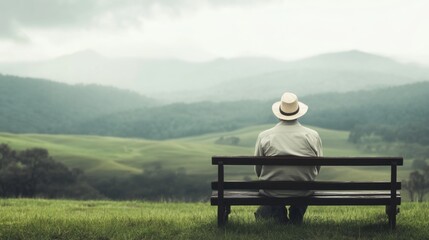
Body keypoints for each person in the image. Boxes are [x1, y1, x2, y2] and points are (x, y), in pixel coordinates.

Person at [254, 92, 323, 225]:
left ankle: (278, 213)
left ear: (279, 112)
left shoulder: (264, 136)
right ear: (298, 112)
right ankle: (296, 213)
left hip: (272, 191)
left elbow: (258, 169)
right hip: (303, 190)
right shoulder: (312, 136)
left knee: (270, 192)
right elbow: (317, 167)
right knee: (305, 182)